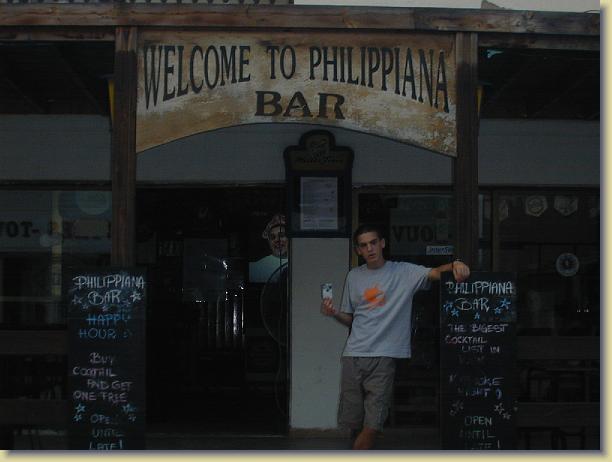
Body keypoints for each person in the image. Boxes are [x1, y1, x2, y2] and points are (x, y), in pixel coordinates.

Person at [321, 223, 470, 450]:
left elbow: (434, 273)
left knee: (374, 421)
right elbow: (351, 319)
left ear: (382, 243)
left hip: (384, 354)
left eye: (373, 242)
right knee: (352, 420)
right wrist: (333, 313)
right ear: (358, 250)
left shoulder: (403, 272)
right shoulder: (354, 276)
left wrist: (455, 264)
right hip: (353, 354)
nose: (370, 248)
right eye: (363, 245)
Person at [249, 213, 288, 283]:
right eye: (272, 237)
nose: (277, 240)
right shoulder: (256, 266)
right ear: (268, 241)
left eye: (281, 235)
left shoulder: (298, 262)